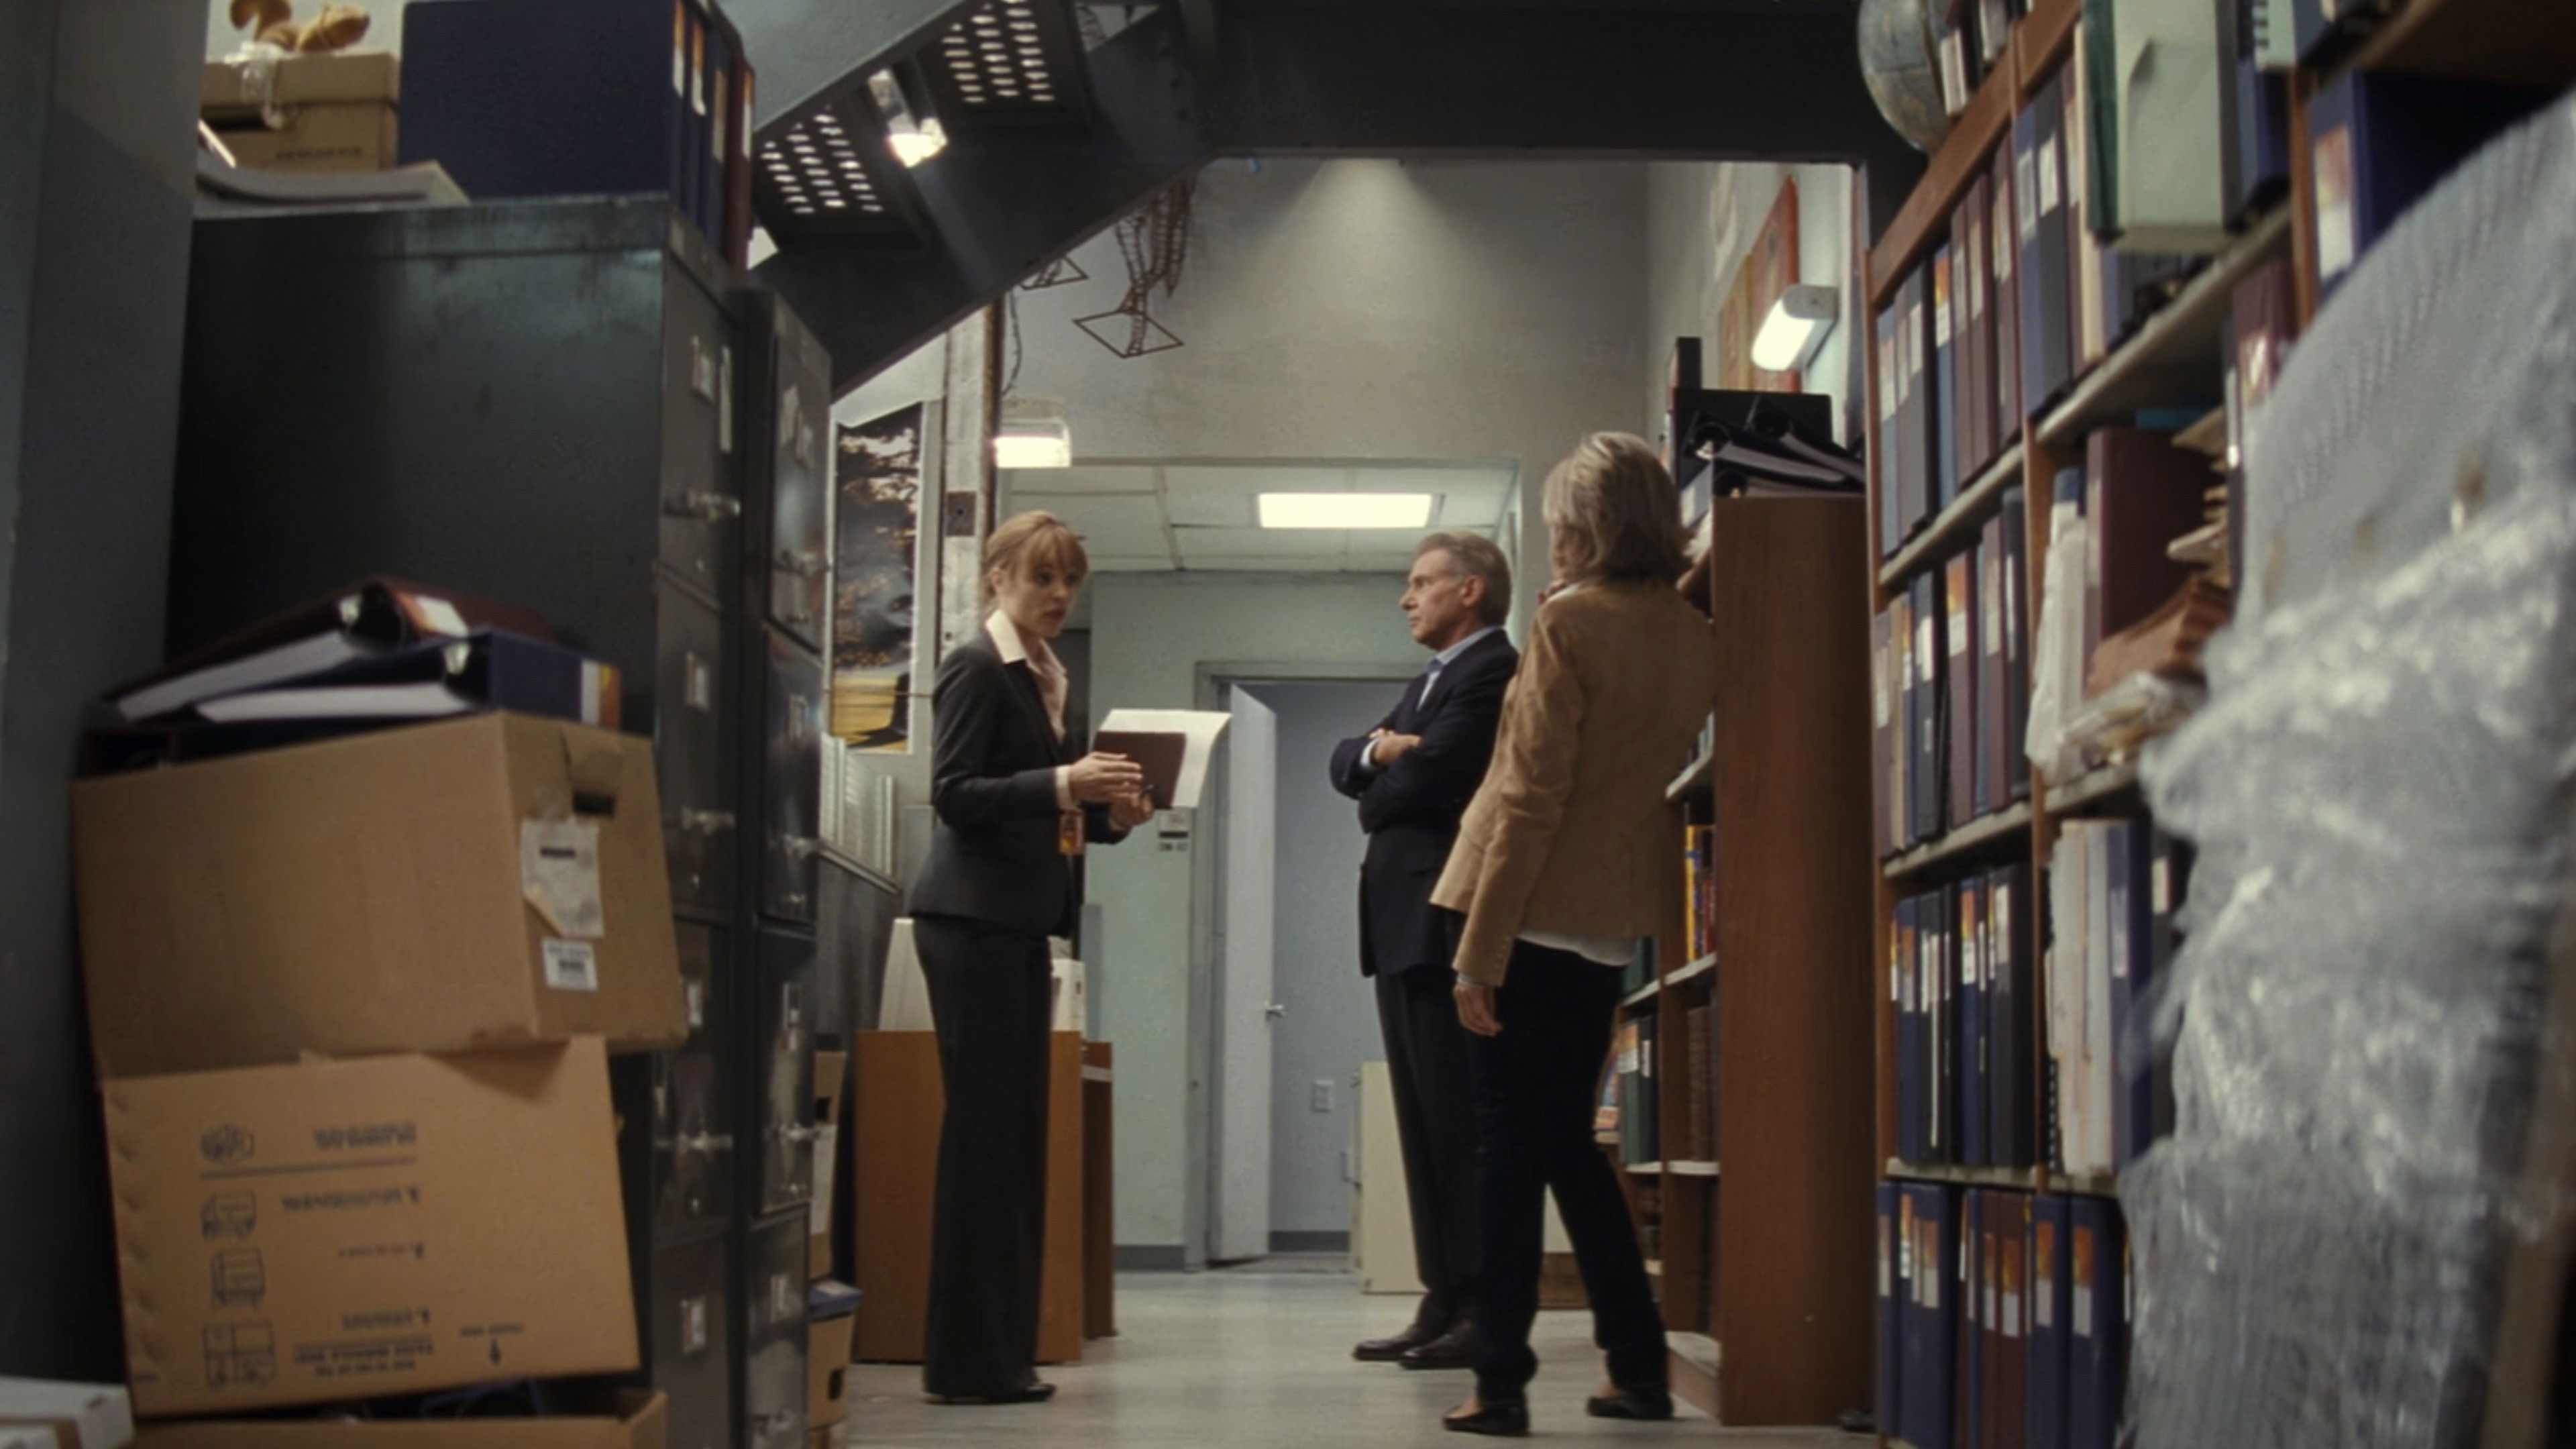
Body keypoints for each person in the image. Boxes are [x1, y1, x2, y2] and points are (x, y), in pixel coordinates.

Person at [1428, 433, 1720, 1436]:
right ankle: (1636, 1367)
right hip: (1606, 923)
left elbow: (1530, 795)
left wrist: (1479, 952)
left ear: (1589, 526)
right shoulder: (1691, 631)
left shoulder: (1568, 624)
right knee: (1563, 1148)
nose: (1554, 538)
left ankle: (1499, 1383)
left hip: (1526, 912)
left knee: (1508, 1154)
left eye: (1562, 522)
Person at [908, 511, 1154, 1405]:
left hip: (1011, 922)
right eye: (1042, 577)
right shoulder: (978, 665)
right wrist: (1064, 781)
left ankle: (998, 1356)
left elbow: (1041, 816)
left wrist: (1108, 819)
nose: (1058, 595)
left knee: (1012, 1143)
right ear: (998, 577)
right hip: (972, 923)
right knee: (987, 1142)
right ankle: (969, 1363)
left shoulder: (1044, 675)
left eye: (1069, 581)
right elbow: (953, 793)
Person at [1329, 532, 1520, 1372]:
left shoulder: (1491, 671)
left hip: (1444, 922)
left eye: (1421, 583)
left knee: (1456, 1124)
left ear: (1470, 590)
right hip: (1401, 925)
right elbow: (1347, 762)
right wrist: (1377, 753)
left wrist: (1379, 781)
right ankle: (1441, 1298)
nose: (1407, 598)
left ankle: (1477, 1307)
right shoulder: (1432, 681)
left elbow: (1432, 780)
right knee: (1421, 1125)